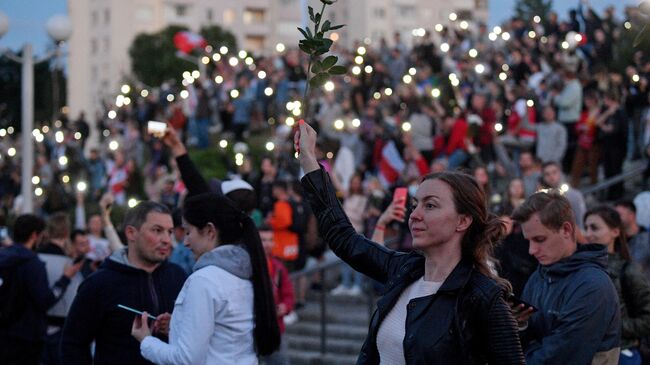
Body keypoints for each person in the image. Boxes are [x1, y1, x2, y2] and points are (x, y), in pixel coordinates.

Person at [294, 120, 525, 364]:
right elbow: (344, 238)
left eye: (430, 205)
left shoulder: (483, 298)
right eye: (415, 205)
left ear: (463, 221)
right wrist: (309, 160)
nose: (414, 215)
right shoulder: (404, 270)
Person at [130, 193, 280, 364]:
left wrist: (147, 341)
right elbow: (226, 334)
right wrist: (179, 325)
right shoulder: (245, 272)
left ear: (209, 231)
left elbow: (186, 359)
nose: (185, 242)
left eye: (188, 231)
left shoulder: (204, 280)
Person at [61, 201, 187, 365]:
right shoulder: (99, 283)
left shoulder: (178, 277)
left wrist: (176, 327)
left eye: (169, 232)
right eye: (157, 230)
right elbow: (73, 344)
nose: (166, 240)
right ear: (131, 233)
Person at [511, 192, 621, 364]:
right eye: (529, 241)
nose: (531, 250)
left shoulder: (593, 286)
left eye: (540, 239)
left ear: (567, 230)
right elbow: (519, 342)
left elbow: (560, 358)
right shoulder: (538, 277)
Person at [0, 214, 81, 365]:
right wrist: (65, 278)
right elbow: (44, 300)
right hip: (27, 337)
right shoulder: (32, 263)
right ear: (34, 235)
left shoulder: (3, 257)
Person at [585, 206, 650, 365]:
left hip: (623, 353)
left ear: (615, 232)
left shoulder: (628, 270)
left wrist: (613, 327)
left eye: (594, 228)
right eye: (586, 227)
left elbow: (648, 318)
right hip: (589, 353)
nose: (588, 234)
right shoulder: (582, 268)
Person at [259, 227, 294, 365]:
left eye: (270, 240)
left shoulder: (278, 266)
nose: (267, 244)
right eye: (263, 240)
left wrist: (285, 306)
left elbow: (288, 294)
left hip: (275, 327)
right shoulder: (247, 265)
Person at [615, 201, 650, 279]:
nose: (615, 219)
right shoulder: (614, 240)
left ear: (631, 215)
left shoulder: (647, 238)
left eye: (619, 215)